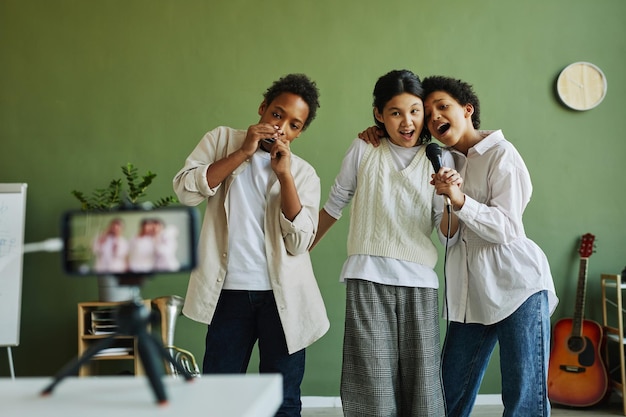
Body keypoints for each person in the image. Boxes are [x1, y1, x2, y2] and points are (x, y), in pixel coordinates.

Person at [173, 73, 329, 417]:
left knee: (283, 400)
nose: (281, 128)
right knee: (219, 397)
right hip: (228, 294)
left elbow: (300, 241)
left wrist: (284, 176)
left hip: (284, 298)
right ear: (262, 109)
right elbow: (185, 190)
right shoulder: (221, 140)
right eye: (277, 114)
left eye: (293, 124)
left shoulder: (303, 173)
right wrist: (242, 153)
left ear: (299, 132)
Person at [311, 69, 456, 417]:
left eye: (414, 111)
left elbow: (446, 229)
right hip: (368, 277)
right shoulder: (364, 147)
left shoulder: (440, 159)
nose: (407, 122)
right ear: (379, 115)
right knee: (371, 384)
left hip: (420, 282)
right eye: (395, 112)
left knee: (422, 387)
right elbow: (335, 203)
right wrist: (298, 250)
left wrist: (453, 197)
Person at [423, 75, 558, 416]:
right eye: (427, 113)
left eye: (442, 107)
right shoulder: (445, 163)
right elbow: (448, 237)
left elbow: (507, 228)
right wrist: (450, 200)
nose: (435, 117)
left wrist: (461, 198)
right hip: (470, 295)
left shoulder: (501, 154)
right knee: (447, 395)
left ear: (466, 110)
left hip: (518, 287)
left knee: (523, 400)